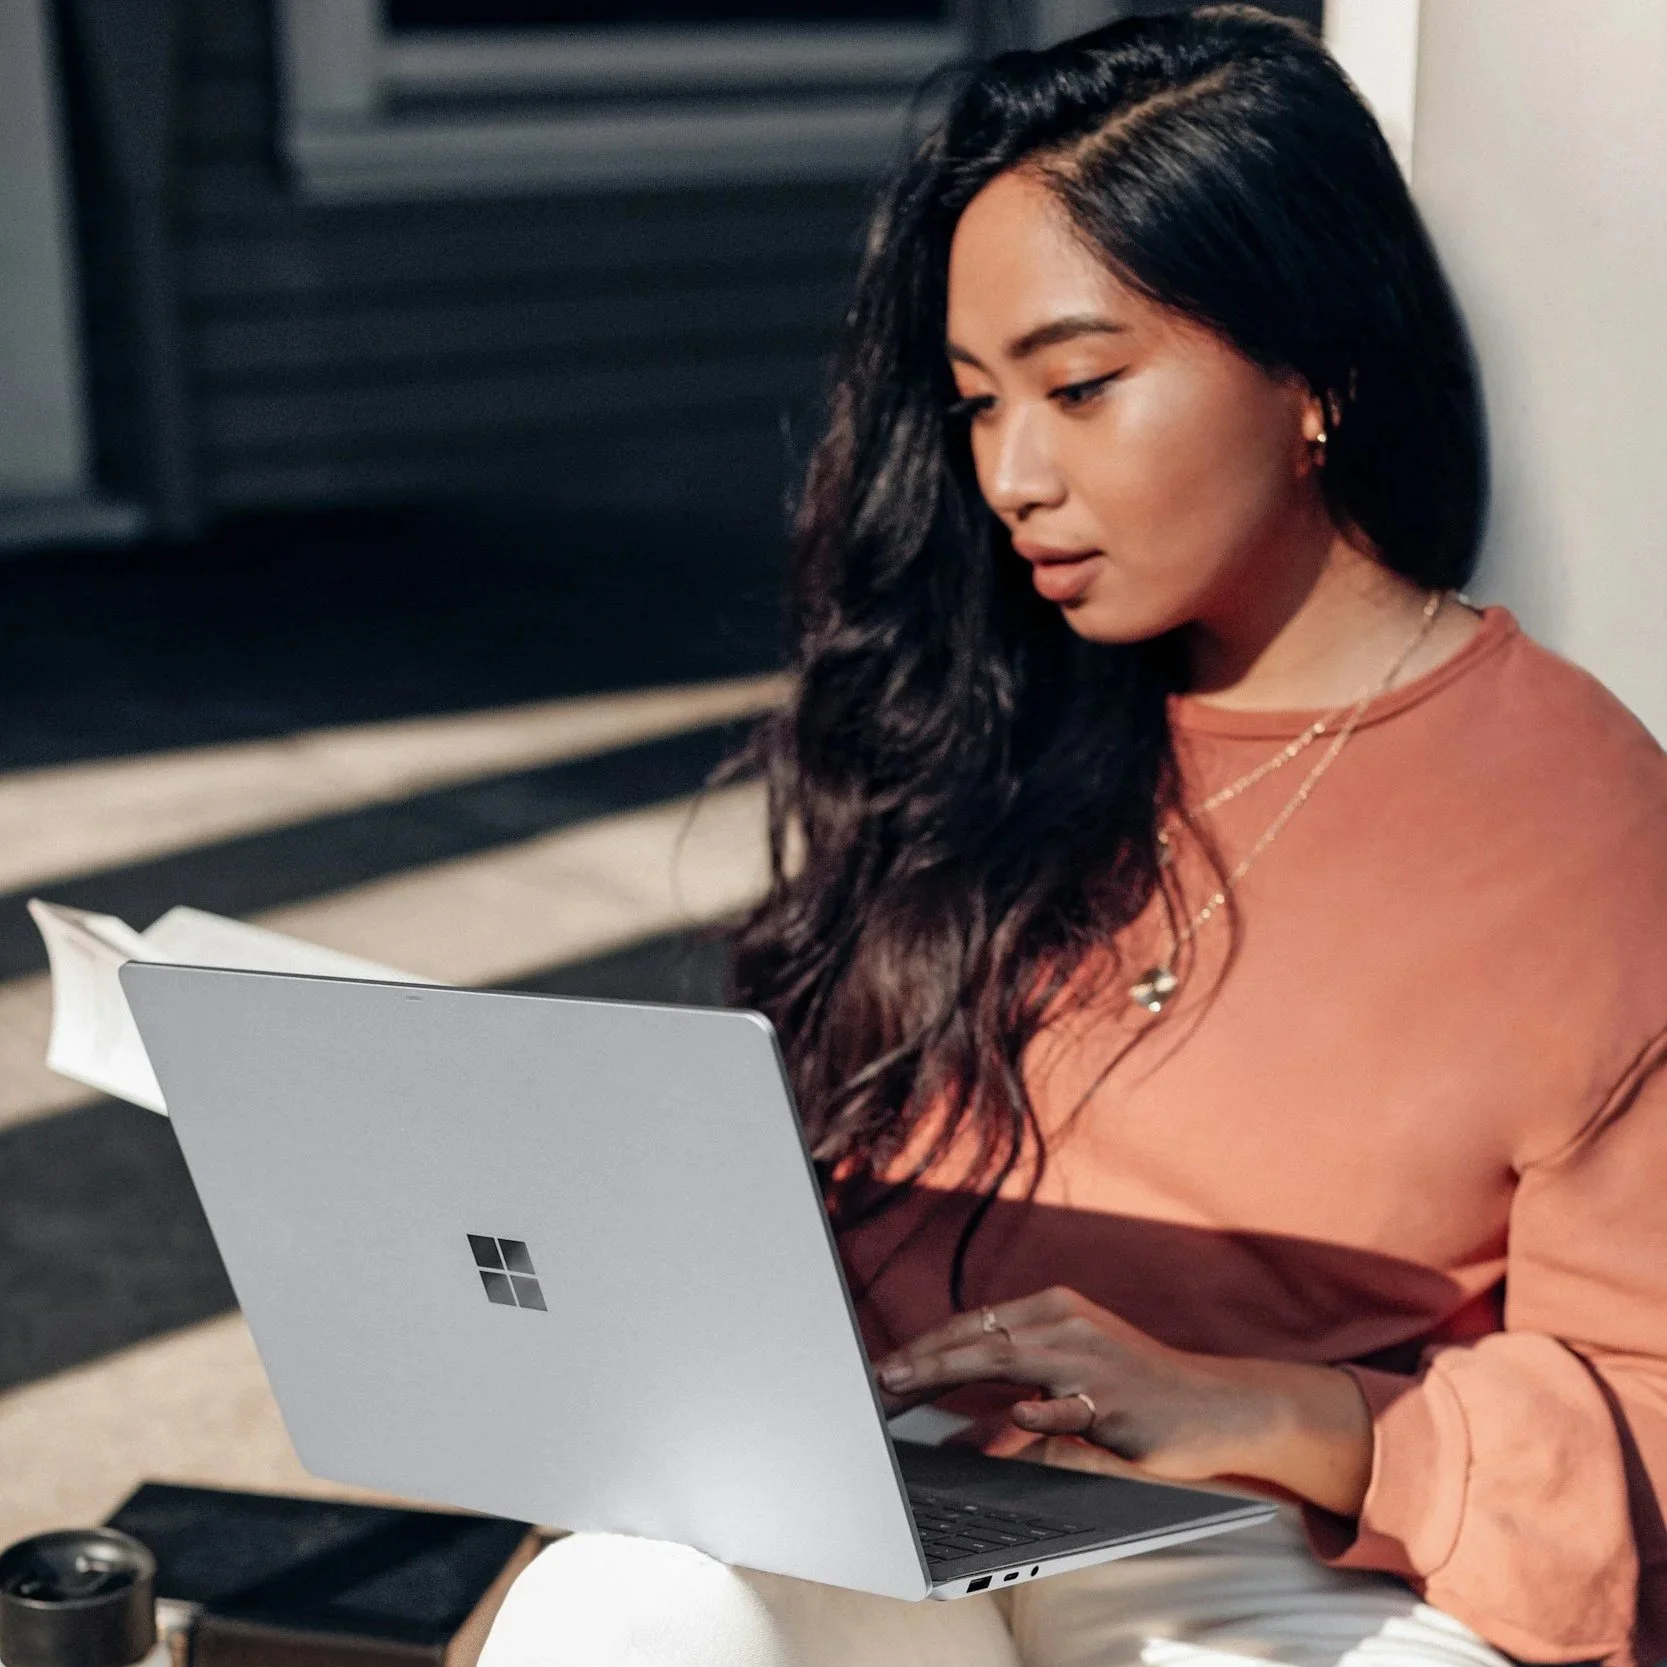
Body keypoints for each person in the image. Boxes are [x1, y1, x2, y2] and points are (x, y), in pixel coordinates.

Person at [478, 7, 1667, 1664]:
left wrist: (1280, 1410)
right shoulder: (977, 723)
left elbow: (1647, 1417)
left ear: (1311, 370)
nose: (1010, 475)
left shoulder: (1583, 818)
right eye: (974, 404)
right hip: (887, 1500)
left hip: (1279, 1551)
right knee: (622, 1609)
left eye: (1080, 386)